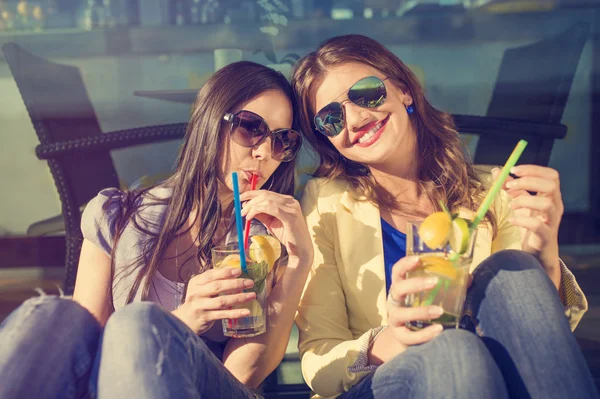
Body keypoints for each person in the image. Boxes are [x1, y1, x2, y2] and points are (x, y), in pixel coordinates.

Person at [290, 34, 598, 399]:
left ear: (404, 90)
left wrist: (543, 258)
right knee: (454, 348)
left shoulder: (493, 189)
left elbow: (536, 346)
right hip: (383, 385)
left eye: (366, 93)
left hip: (491, 378)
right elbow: (318, 360)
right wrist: (392, 339)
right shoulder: (324, 203)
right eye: (330, 118)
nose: (355, 118)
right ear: (326, 138)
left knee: (513, 270)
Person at [0, 61, 313, 399]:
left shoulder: (267, 240)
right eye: (250, 127)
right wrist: (186, 317)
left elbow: (244, 375)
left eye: (283, 140)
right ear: (209, 122)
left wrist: (300, 260)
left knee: (138, 323)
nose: (265, 151)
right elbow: (83, 346)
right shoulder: (117, 216)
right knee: (49, 314)